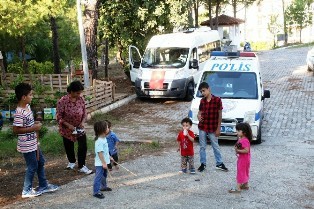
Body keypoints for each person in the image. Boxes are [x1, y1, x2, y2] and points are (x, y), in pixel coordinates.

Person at [13, 83, 59, 198]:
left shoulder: (27, 107)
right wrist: (33, 128)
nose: (32, 96)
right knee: (32, 165)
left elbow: (29, 124)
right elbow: (16, 130)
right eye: (30, 95)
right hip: (26, 145)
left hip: (34, 142)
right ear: (24, 97)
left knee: (40, 161)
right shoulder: (19, 112)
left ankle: (43, 185)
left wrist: (35, 124)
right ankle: (26, 190)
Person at [56, 80, 92, 174]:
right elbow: (59, 117)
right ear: (71, 91)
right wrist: (68, 125)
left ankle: (82, 165)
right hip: (67, 128)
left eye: (80, 92)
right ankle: (71, 161)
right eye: (77, 92)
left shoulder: (81, 99)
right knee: (69, 146)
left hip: (79, 127)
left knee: (83, 146)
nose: (79, 94)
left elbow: (84, 112)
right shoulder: (63, 101)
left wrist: (83, 122)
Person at [197, 82, 228, 172]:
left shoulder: (217, 100)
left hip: (213, 127)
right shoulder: (202, 101)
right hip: (203, 126)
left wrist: (218, 128)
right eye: (201, 91)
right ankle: (203, 163)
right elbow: (199, 112)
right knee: (202, 146)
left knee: (215, 145)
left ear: (209, 89)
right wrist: (198, 116)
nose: (203, 93)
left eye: (204, 90)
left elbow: (220, 115)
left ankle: (219, 163)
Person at [229, 122, 252, 193]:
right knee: (245, 171)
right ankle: (245, 184)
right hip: (244, 159)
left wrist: (237, 150)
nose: (237, 132)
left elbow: (246, 150)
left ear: (244, 132)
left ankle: (238, 188)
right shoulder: (242, 139)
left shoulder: (244, 140)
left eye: (239, 131)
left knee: (240, 172)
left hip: (243, 159)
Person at [93, 121, 112, 199]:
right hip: (100, 164)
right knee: (98, 177)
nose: (108, 128)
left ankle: (103, 187)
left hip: (104, 162)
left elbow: (105, 151)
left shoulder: (103, 138)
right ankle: (96, 192)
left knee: (104, 175)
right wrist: (104, 163)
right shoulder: (99, 141)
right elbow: (100, 153)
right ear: (103, 130)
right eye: (107, 127)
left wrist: (110, 157)